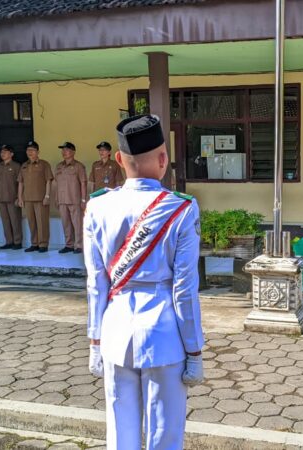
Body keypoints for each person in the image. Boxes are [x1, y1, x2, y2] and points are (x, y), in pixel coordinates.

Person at [85, 114, 204, 450]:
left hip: (115, 331)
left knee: (120, 435)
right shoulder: (181, 208)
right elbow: (184, 290)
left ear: (119, 159)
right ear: (163, 159)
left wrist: (95, 341)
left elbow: (96, 283)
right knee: (164, 436)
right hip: (164, 334)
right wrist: (194, 350)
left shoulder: (98, 206)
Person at [18, 141, 53, 253]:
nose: (30, 152)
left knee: (42, 222)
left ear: (38, 152)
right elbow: (21, 182)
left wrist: (47, 196)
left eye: (32, 150)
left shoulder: (44, 164)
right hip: (28, 199)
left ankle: (43, 244)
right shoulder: (24, 165)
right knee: (31, 222)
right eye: (28, 150)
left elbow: (48, 181)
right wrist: (20, 197)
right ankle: (34, 243)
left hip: (40, 198)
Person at [55, 142, 87, 254]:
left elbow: (83, 183)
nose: (64, 152)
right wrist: (56, 198)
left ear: (73, 152)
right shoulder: (59, 166)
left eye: (66, 150)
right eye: (62, 150)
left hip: (75, 200)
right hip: (62, 200)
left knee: (77, 224)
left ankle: (79, 245)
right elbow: (57, 184)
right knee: (66, 223)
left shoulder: (79, 166)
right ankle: (69, 245)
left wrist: (83, 200)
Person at [0, 144, 22, 250]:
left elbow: (20, 183)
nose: (2, 154)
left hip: (13, 197)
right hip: (1, 197)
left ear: (11, 154)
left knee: (15, 220)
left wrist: (19, 197)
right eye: (1, 152)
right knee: (5, 221)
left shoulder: (16, 166)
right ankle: (9, 241)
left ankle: (17, 242)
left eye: (5, 152)